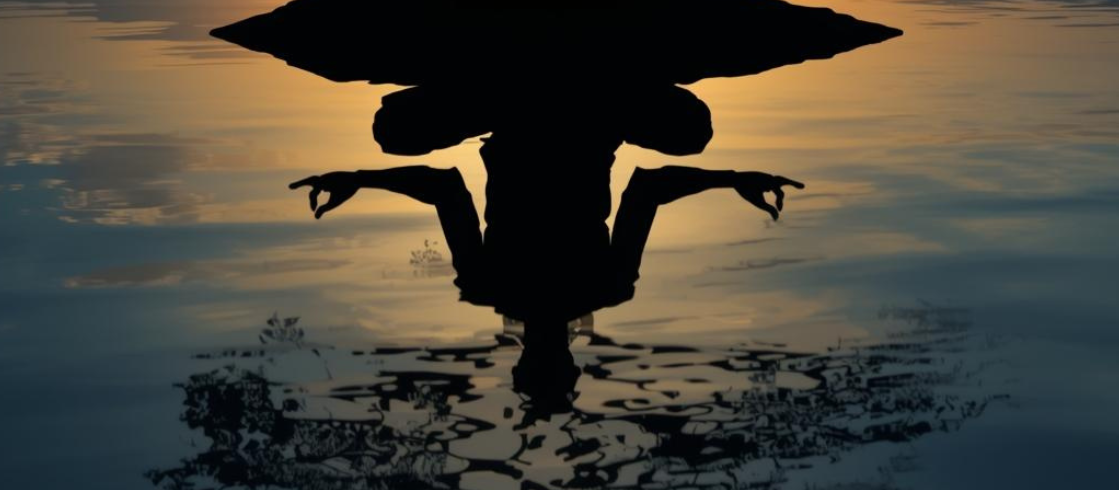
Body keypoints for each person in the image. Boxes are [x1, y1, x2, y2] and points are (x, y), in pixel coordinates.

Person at [287, 80, 803, 407]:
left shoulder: (597, 285)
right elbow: (648, 186)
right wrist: (734, 178)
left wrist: (358, 177)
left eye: (548, 366)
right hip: (580, 102)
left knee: (390, 128)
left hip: (516, 102)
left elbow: (444, 186)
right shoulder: (502, 285)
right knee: (694, 129)